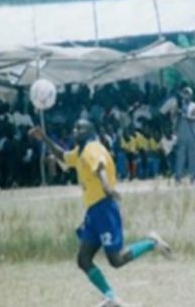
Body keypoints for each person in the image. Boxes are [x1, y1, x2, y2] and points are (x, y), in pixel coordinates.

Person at [29, 120, 171, 306]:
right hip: (94, 212)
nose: (74, 130)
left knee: (116, 260)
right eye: (74, 127)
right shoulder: (80, 151)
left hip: (104, 208)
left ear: (90, 132)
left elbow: (100, 168)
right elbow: (62, 156)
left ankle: (152, 243)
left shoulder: (92, 149)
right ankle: (112, 297)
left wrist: (107, 187)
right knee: (83, 259)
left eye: (79, 128)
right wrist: (44, 138)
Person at [175, 87, 195, 184]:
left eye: (188, 93)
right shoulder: (180, 106)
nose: (186, 95)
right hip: (182, 134)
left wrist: (187, 116)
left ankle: (193, 178)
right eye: (184, 93)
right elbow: (175, 120)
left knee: (193, 157)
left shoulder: (194, 106)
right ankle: (178, 177)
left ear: (191, 95)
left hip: (192, 134)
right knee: (180, 156)